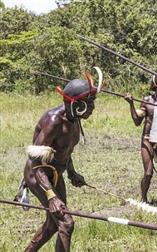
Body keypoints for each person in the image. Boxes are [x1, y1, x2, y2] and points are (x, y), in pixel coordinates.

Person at [14, 74, 98, 251]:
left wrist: (72, 172)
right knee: (66, 223)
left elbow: (64, 150)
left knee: (55, 225)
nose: (93, 108)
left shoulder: (75, 119)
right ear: (76, 103)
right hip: (37, 174)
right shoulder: (53, 121)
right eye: (89, 104)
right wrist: (51, 196)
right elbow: (36, 161)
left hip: (55, 172)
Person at [124, 74, 157, 203]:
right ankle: (143, 198)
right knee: (148, 173)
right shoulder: (147, 100)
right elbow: (137, 121)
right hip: (148, 139)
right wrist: (131, 104)